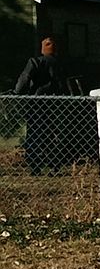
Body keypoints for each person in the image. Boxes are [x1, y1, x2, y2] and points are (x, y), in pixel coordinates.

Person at [14, 36, 67, 174]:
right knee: (52, 134)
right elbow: (62, 83)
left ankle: (35, 165)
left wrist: (17, 93)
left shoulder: (35, 62)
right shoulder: (58, 64)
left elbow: (25, 78)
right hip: (55, 103)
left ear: (42, 49)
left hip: (36, 103)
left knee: (34, 133)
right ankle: (54, 165)